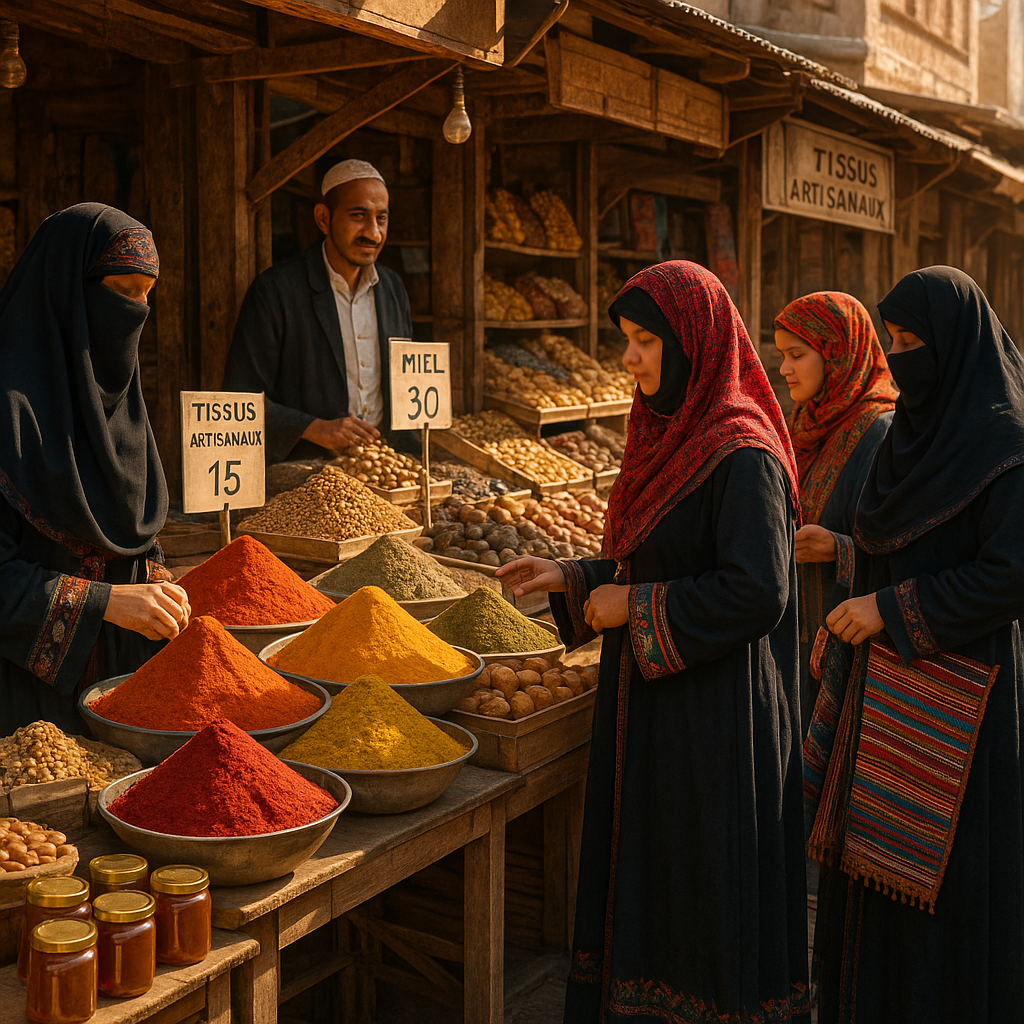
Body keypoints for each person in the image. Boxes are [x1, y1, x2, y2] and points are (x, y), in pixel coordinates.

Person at [498, 261, 810, 1023]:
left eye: (644, 340)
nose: (629, 357)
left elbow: (758, 591)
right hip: (659, 712)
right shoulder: (671, 435)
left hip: (717, 725)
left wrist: (634, 605)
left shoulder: (742, 453)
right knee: (658, 882)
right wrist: (574, 575)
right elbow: (664, 555)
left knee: (703, 890)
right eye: (627, 339)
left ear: (694, 343)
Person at [807, 267, 1024, 1022]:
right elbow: (887, 542)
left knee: (945, 896)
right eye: (891, 340)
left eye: (910, 342)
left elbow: (1009, 577)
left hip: (962, 711)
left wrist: (890, 610)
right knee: (870, 882)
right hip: (882, 696)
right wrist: (852, 605)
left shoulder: (1005, 444)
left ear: (954, 345)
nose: (898, 358)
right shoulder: (907, 434)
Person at [0, 203, 190, 733]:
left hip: (123, 692)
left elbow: (135, 536)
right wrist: (104, 603)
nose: (136, 311)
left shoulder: (123, 409)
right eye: (123, 291)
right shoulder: (9, 413)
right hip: (28, 711)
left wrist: (160, 586)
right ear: (67, 294)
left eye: (146, 295)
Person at [224, 159, 413, 463]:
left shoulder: (392, 289)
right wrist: (314, 428)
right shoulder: (276, 291)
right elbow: (240, 398)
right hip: (303, 469)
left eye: (381, 218)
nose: (374, 233)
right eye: (358, 216)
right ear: (323, 219)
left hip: (381, 465)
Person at [774, 292, 898, 732]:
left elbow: (907, 550)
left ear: (837, 356)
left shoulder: (883, 431)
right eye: (782, 355)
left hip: (848, 642)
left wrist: (839, 548)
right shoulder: (802, 423)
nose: (784, 368)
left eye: (797, 355)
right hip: (795, 636)